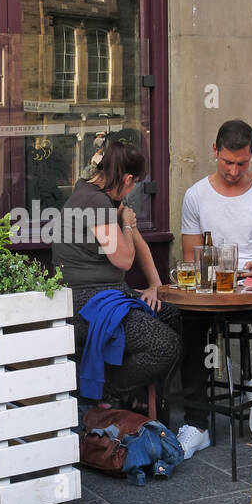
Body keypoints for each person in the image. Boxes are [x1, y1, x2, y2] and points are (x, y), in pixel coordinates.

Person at [177, 119, 252, 456]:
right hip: (215, 287)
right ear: (215, 151)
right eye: (227, 162)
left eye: (241, 163)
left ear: (251, 155)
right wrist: (211, 277)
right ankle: (196, 422)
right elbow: (190, 256)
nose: (233, 170)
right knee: (188, 318)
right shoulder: (196, 195)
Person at [51, 139, 180, 409]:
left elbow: (137, 242)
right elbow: (123, 258)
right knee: (164, 346)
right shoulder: (97, 203)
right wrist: (127, 226)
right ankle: (104, 392)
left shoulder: (93, 192)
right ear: (128, 179)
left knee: (174, 313)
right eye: (134, 185)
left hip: (105, 295)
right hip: (88, 302)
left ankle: (144, 400)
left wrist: (156, 286)